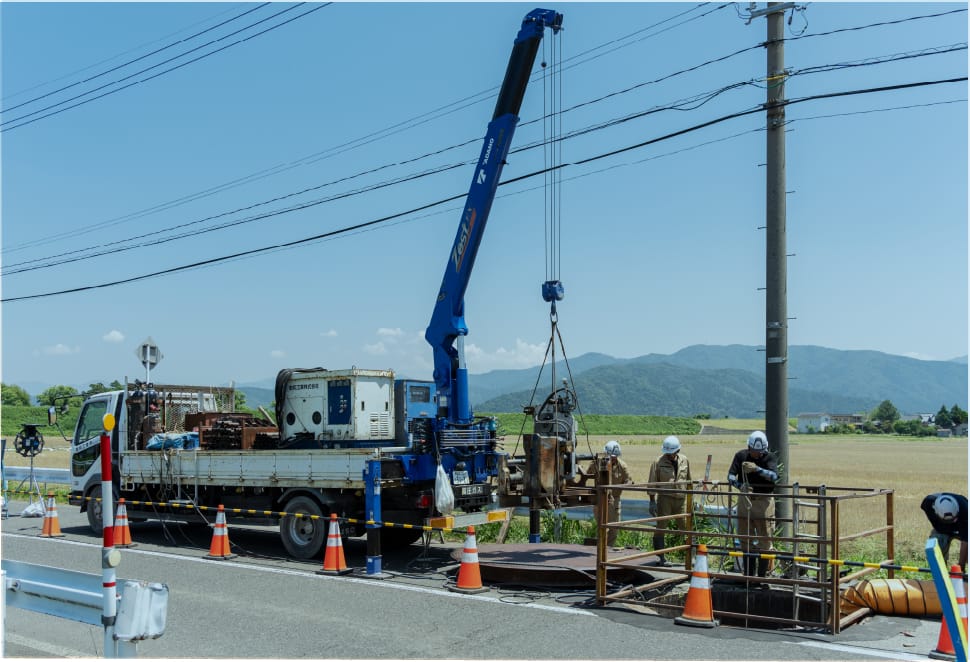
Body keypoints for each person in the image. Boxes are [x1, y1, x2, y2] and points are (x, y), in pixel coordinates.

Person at [727, 430, 779, 582]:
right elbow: (730, 476)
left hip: (764, 502)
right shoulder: (741, 456)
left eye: (760, 451)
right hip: (746, 500)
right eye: (754, 451)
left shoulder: (770, 458)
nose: (757, 454)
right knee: (745, 538)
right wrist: (739, 485)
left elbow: (774, 477)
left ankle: (762, 577)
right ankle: (748, 576)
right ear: (748, 448)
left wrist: (757, 469)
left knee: (765, 538)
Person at [647, 435, 692, 565]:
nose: (669, 455)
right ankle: (660, 557)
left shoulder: (685, 460)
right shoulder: (658, 462)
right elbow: (652, 482)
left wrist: (691, 497)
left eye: (672, 453)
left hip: (681, 498)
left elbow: (689, 480)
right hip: (665, 498)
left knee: (686, 526)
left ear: (677, 451)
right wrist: (652, 501)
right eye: (667, 453)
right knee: (662, 526)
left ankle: (691, 557)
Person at [584, 440, 632, 546]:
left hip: (615, 499)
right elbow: (586, 475)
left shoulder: (622, 466)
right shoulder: (596, 463)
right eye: (611, 456)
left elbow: (628, 480)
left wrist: (627, 484)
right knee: (602, 527)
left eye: (615, 456)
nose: (613, 458)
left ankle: (609, 550)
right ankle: (600, 550)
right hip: (600, 499)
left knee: (615, 527)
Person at [920, 492, 967, 573]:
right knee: (936, 548)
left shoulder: (966, 512)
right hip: (942, 530)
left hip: (963, 527)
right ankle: (941, 575)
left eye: (953, 520)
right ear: (936, 512)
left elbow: (966, 542)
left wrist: (960, 568)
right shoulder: (928, 503)